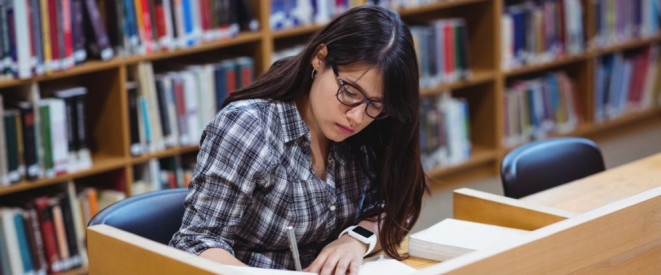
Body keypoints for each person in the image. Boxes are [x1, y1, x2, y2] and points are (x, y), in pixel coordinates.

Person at [169, 5, 427, 275]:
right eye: (350, 92)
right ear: (320, 57)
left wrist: (357, 239)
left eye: (376, 105)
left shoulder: (373, 127)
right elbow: (195, 243)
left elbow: (398, 202)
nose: (357, 117)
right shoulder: (249, 127)